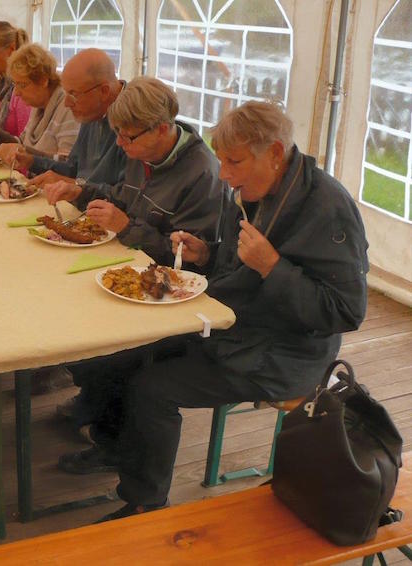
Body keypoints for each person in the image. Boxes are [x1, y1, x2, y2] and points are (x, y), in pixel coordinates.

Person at [96, 101, 369, 522]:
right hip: (236, 327)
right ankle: (117, 451)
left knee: (154, 388)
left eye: (234, 161)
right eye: (221, 159)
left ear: (276, 154)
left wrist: (273, 268)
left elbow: (345, 312)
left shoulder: (327, 207)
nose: (223, 173)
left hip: (286, 354)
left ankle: (144, 504)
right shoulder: (249, 190)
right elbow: (236, 263)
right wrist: (207, 253)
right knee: (131, 347)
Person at [46, 77, 224, 453]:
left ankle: (112, 445)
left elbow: (186, 263)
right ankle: (95, 404)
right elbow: (120, 196)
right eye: (118, 136)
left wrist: (127, 227)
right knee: (62, 311)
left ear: (162, 128)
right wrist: (82, 191)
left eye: (128, 138)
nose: (121, 146)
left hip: (170, 301)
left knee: (102, 349)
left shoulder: (202, 173)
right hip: (131, 273)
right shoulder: (143, 155)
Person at [0, 48, 127, 191]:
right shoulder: (93, 110)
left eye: (73, 94)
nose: (67, 103)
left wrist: (75, 186)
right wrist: (32, 161)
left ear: (104, 91)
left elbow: (125, 197)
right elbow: (73, 167)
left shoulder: (134, 119)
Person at [0, 43, 78, 167]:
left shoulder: (68, 108)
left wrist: (26, 154)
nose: (16, 93)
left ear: (43, 80)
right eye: (14, 84)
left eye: (22, 85)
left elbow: (67, 165)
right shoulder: (38, 104)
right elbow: (22, 143)